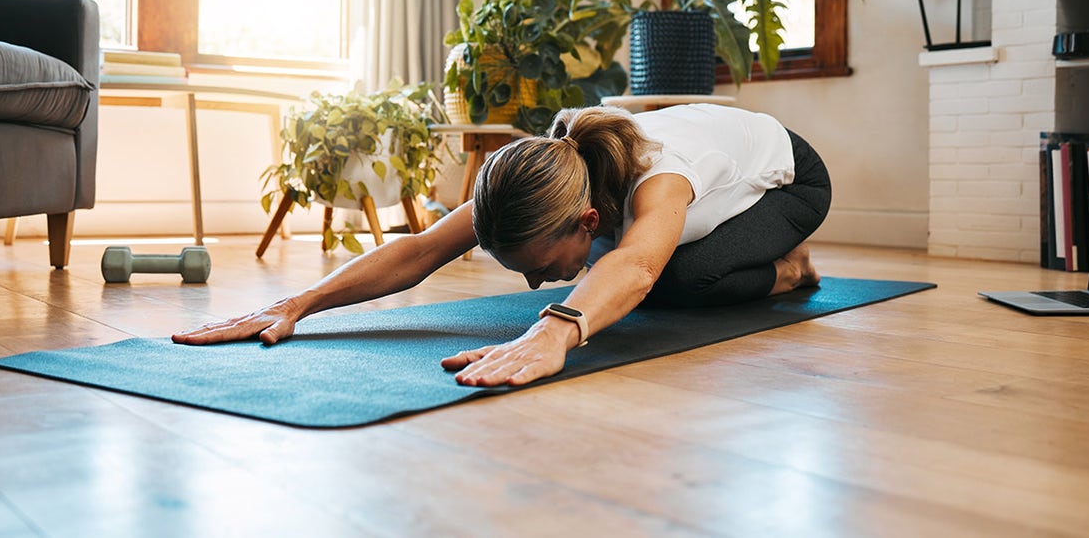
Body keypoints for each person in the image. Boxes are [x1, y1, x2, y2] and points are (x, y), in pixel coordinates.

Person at [173, 103, 831, 388]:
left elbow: (634, 263)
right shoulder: (549, 173)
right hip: (696, 188)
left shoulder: (663, 181)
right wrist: (300, 301)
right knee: (634, 272)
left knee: (674, 279)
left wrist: (555, 330)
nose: (533, 287)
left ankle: (789, 269)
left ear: (587, 219)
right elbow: (423, 247)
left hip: (789, 180)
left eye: (540, 267)